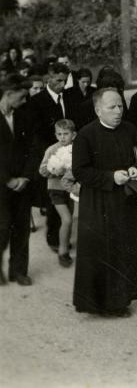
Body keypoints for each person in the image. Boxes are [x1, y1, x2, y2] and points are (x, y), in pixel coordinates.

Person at [71, 87, 137, 317]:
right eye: (112, 107)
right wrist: (110, 177)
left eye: (120, 106)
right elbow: (80, 171)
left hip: (125, 201)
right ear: (98, 110)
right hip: (97, 204)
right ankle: (97, 304)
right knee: (101, 251)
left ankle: (120, 301)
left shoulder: (129, 129)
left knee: (125, 249)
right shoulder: (86, 135)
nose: (118, 111)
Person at [32, 62, 74, 254]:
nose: (62, 84)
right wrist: (54, 155)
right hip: (51, 156)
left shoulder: (69, 97)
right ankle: (53, 238)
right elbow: (36, 133)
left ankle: (63, 236)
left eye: (65, 81)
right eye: (58, 80)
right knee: (52, 200)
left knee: (68, 199)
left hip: (70, 153)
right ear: (49, 77)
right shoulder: (38, 101)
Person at [0, 74, 36, 286]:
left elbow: (33, 149)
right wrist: (7, 180)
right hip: (1, 185)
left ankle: (18, 271)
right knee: (2, 227)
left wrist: (25, 177)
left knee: (22, 228)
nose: (25, 101)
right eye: (21, 97)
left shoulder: (24, 117)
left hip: (23, 184)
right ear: (9, 94)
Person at [38, 119, 77, 268]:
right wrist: (54, 169)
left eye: (66, 134)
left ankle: (64, 243)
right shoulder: (52, 149)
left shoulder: (78, 148)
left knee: (69, 219)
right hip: (56, 189)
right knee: (66, 219)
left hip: (71, 189)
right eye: (59, 134)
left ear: (73, 135)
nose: (62, 137)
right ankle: (63, 252)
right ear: (55, 135)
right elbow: (42, 170)